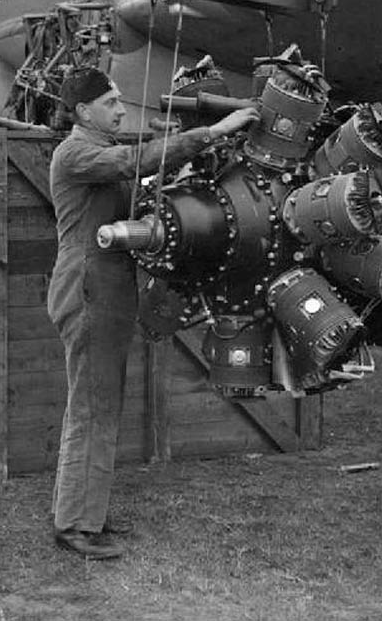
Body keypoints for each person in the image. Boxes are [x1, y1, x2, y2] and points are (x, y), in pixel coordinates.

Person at [48, 67, 258, 560]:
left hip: (105, 292)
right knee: (92, 407)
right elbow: (137, 159)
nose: (121, 109)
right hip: (89, 292)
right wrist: (214, 133)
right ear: (83, 111)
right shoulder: (75, 153)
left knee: (102, 404)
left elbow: (139, 160)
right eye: (112, 103)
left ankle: (87, 514)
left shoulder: (91, 151)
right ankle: (75, 524)